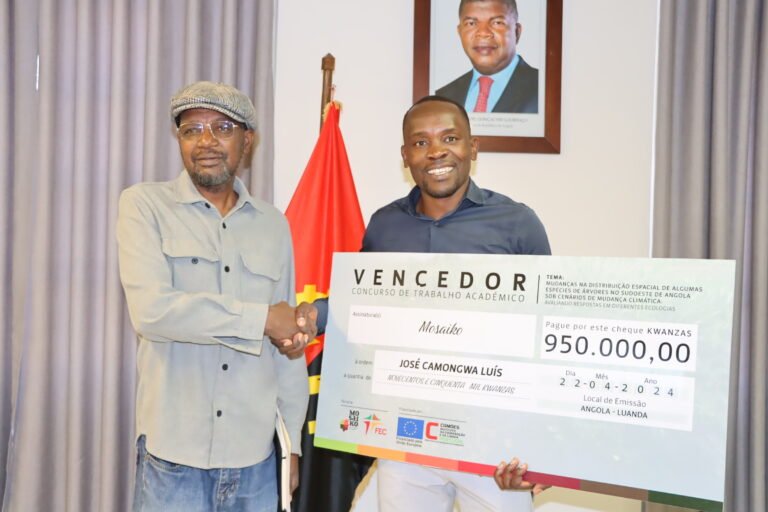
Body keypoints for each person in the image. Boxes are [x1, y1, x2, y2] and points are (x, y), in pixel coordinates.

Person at [312, 95, 550, 510]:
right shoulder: (385, 226)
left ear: (473, 148)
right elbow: (361, 304)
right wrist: (308, 316)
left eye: (450, 138)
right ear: (405, 156)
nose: (436, 151)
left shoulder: (517, 223)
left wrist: (546, 445)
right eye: (421, 142)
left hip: (494, 443)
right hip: (407, 435)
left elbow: (545, 333)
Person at [117, 81, 315, 512]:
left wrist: (292, 445)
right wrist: (263, 319)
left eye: (222, 128)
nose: (205, 141)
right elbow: (153, 312)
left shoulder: (273, 224)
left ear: (248, 140)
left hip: (255, 461)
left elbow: (288, 348)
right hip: (173, 459)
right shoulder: (144, 205)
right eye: (191, 130)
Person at [436, 0, 539, 114]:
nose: (483, 33)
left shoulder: (543, 90)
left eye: (497, 23)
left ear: (517, 32)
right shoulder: (443, 98)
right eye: (471, 23)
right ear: (460, 32)